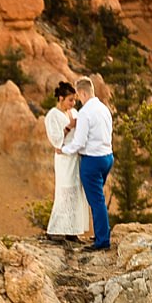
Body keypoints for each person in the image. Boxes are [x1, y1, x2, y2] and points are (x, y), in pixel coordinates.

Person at [59, 74, 115, 250]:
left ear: (82, 93)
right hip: (108, 157)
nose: (78, 100)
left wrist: (63, 150)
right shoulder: (104, 109)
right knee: (99, 198)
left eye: (78, 96)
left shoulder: (85, 113)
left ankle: (102, 242)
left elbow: (79, 142)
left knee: (96, 201)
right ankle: (101, 234)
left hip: (92, 161)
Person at [42, 80, 89, 238]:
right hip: (63, 159)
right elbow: (56, 140)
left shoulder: (74, 112)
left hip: (76, 157)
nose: (73, 103)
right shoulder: (52, 116)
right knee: (65, 191)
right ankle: (55, 230)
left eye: (74, 100)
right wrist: (70, 126)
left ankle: (72, 232)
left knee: (76, 191)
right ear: (61, 98)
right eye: (70, 100)